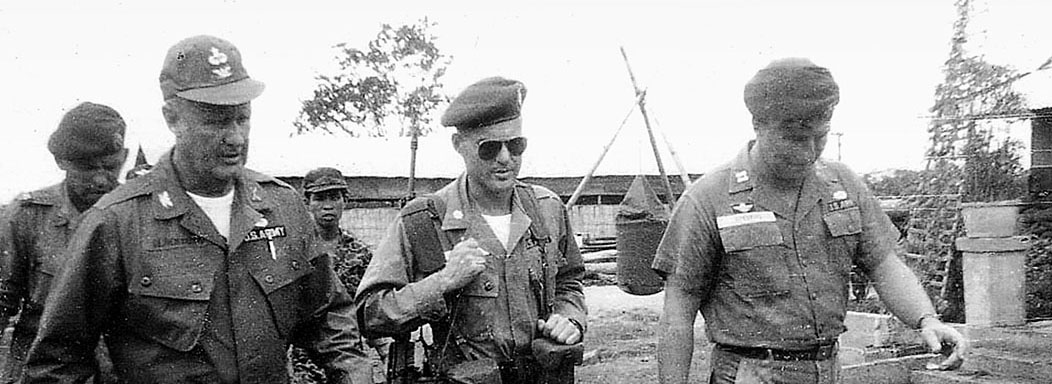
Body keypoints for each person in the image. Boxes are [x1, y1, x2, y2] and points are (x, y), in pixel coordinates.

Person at [26, 35, 372, 384]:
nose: (235, 137)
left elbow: (328, 317)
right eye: (217, 121)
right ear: (172, 118)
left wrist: (356, 375)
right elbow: (58, 363)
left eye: (243, 118)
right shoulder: (117, 222)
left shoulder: (282, 206)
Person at [653, 58, 968, 384]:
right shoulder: (707, 199)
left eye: (820, 137)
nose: (808, 152)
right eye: (793, 138)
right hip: (751, 373)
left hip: (828, 368)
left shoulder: (843, 184)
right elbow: (678, 311)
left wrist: (926, 320)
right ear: (758, 124)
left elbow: (883, 265)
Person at [355, 77, 587, 384]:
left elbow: (569, 280)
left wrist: (569, 318)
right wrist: (442, 282)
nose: (506, 158)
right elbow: (370, 313)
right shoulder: (421, 222)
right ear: (458, 146)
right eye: (489, 148)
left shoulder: (547, 208)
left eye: (516, 145)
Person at [0, 102, 128, 383]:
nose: (100, 179)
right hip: (42, 369)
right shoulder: (28, 216)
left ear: (125, 157)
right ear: (61, 162)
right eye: (85, 167)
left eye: (110, 167)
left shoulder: (136, 216)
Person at [290, 167, 384, 383]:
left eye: (335, 197)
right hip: (304, 367)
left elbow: (370, 311)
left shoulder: (360, 254)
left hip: (348, 362)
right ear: (307, 202)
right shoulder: (294, 251)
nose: (328, 205)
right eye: (320, 198)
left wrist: (385, 352)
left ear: (345, 200)